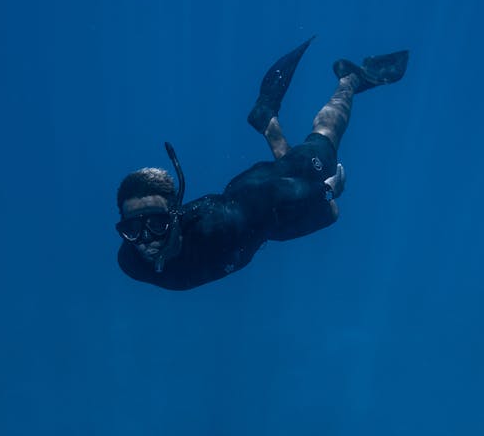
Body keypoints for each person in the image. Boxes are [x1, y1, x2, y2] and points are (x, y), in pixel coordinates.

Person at [116, 38, 408, 291]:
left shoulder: (223, 225)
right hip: (263, 230)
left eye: (156, 224)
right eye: (132, 229)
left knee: (325, 161)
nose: (145, 240)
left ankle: (350, 80)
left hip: (262, 200)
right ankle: (266, 119)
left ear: (175, 214)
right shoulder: (129, 260)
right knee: (321, 206)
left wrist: (327, 191)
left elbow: (277, 193)